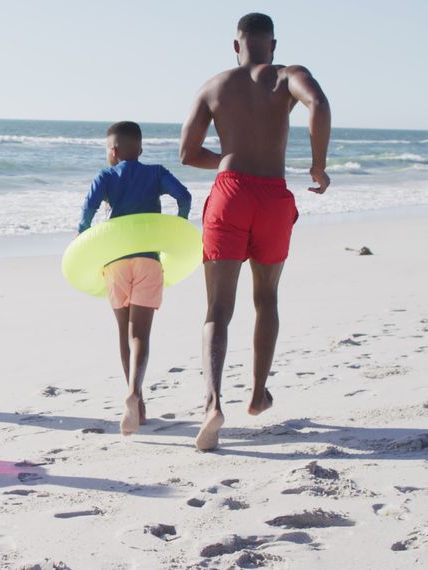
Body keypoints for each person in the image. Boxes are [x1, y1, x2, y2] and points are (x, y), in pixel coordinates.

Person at [178, 12, 331, 451]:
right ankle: (257, 393)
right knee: (266, 298)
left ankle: (212, 403)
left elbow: (187, 153)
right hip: (273, 198)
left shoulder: (214, 86)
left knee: (218, 308)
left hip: (229, 195)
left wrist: (228, 158)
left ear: (236, 45)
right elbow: (318, 104)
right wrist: (318, 163)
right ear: (273, 45)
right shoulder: (288, 77)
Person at [78, 121, 192, 436]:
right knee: (140, 334)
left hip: (115, 263)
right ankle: (135, 394)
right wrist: (176, 229)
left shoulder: (105, 176)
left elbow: (86, 213)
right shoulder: (155, 172)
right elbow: (184, 197)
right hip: (149, 261)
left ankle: (136, 405)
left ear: (112, 153)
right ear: (139, 150)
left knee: (121, 332)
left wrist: (85, 247)